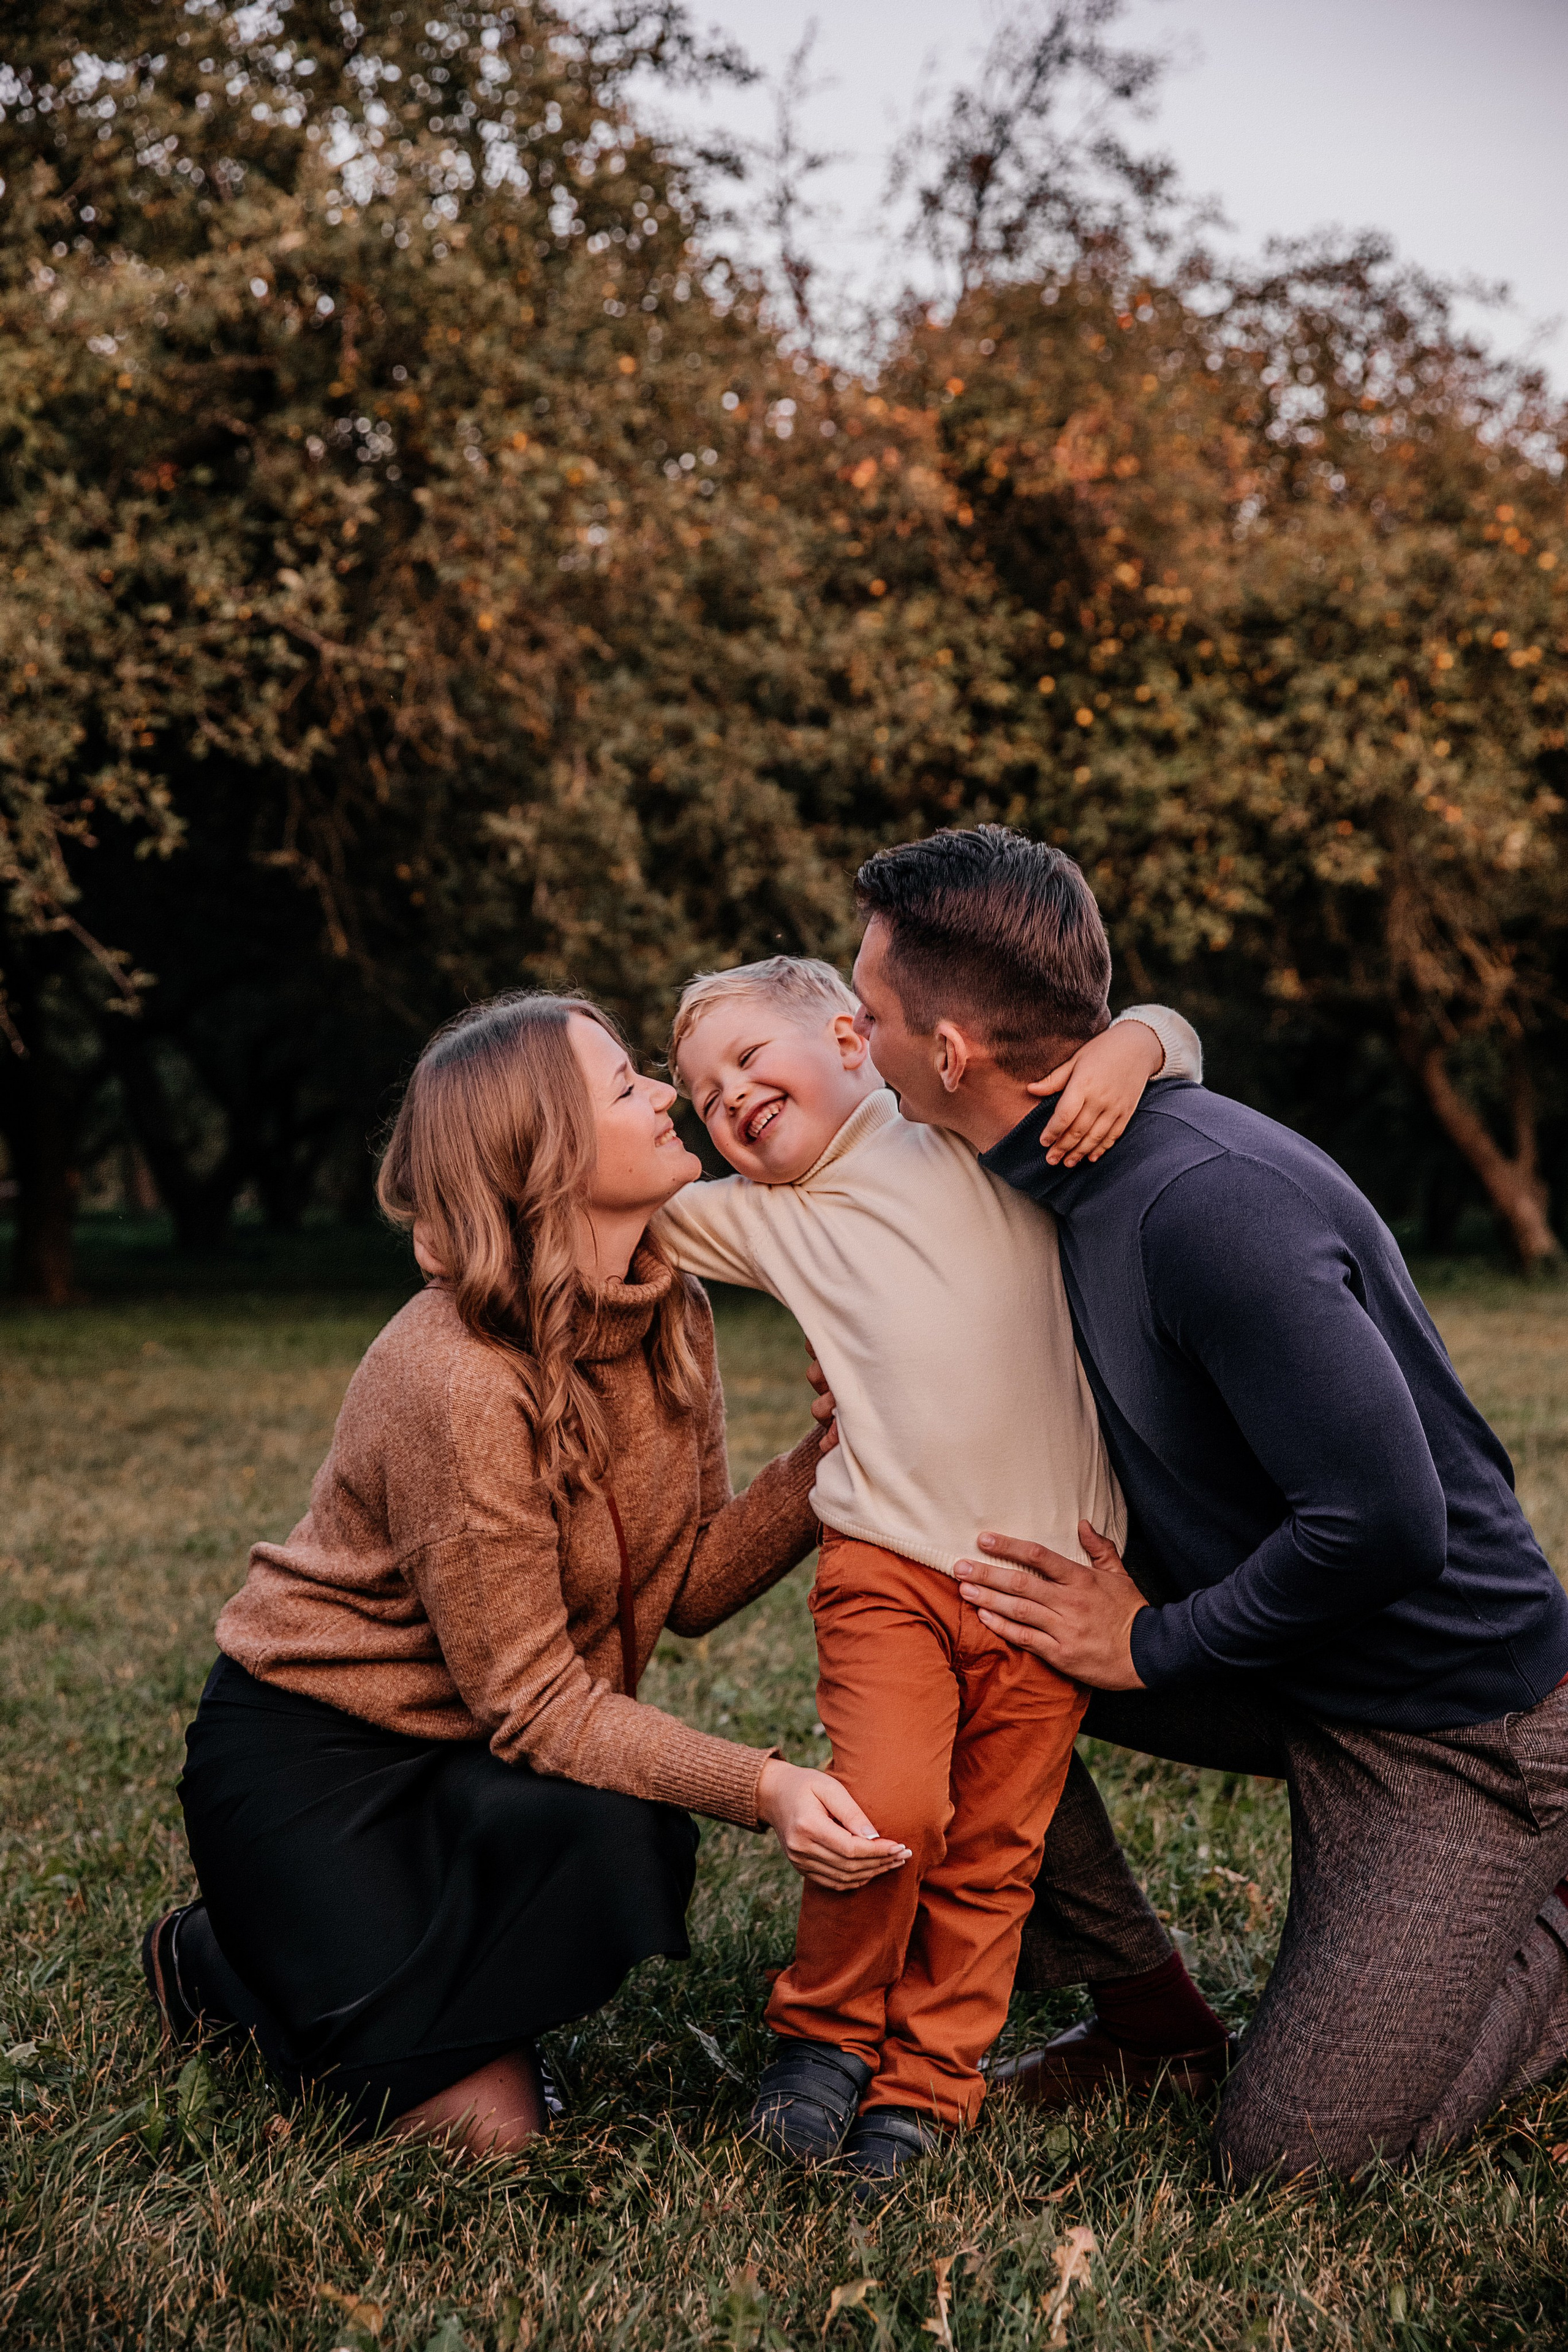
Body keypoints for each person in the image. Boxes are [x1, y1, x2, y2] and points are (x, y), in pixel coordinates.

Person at [848, 823, 1568, 2184]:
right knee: (952, 1637)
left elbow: (1382, 1522)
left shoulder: (1202, 1206)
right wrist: (1147, 1034)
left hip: (1453, 1724)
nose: (849, 1034)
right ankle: (1142, 2018)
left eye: (867, 1011)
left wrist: (1144, 1646)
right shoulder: (1037, 1150)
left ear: (950, 1055)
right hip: (1285, 1667)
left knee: (1285, 2158)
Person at [141, 992, 909, 2155]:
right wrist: (767, 1786)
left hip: (476, 1752)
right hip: (317, 1758)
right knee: (491, 2133)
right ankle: (214, 1960)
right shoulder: (454, 1379)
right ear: (545, 1157)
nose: (665, 1095)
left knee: (628, 1840)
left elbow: (686, 1583)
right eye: (626, 1086)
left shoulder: (674, 1309)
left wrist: (829, 1456)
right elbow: (536, 1702)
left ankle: (396, 1986)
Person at [656, 954, 1208, 2190]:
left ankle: (928, 2086)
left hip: (1045, 1591)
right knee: (887, 1815)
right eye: (698, 1094)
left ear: (858, 1040)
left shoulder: (972, 1136)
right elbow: (609, 1195)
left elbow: (1167, 1037)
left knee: (991, 1852)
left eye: (750, 1058)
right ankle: (823, 2039)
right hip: (884, 1572)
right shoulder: (769, 1219)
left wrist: (1126, 1048)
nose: (725, 1096)